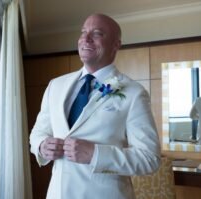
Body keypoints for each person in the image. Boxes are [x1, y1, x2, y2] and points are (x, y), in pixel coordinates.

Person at [29, 13, 161, 199]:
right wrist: (42, 146)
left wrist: (96, 154)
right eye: (83, 32)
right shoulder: (55, 86)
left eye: (97, 33)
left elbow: (149, 159)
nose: (86, 38)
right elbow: (37, 133)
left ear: (116, 44)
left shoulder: (134, 93)